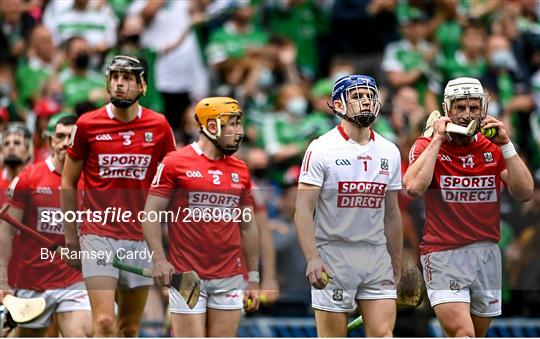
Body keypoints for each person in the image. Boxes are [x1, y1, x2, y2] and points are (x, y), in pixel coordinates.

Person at [403, 77, 534, 337]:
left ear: (484, 109)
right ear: (446, 109)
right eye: (459, 108)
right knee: (464, 333)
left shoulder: (493, 146)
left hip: (486, 252)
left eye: (474, 108)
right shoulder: (426, 144)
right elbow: (413, 188)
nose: (466, 115)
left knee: (475, 334)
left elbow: (525, 192)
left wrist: (506, 144)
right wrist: (438, 140)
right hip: (443, 253)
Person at [61, 55, 176, 336]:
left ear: (142, 86)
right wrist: (71, 239)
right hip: (97, 234)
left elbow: (172, 182)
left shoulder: (159, 126)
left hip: (141, 237)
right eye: (115, 78)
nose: (120, 84)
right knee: (104, 322)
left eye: (127, 79)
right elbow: (68, 181)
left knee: (128, 328)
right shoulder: (88, 125)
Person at [294, 75, 403, 337]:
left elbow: (392, 214)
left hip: (376, 255)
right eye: (356, 96)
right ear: (338, 105)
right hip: (334, 254)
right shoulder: (321, 148)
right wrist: (312, 258)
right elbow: (302, 211)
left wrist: (396, 264)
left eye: (369, 95)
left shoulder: (389, 151)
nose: (365, 101)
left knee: (383, 335)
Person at [142, 97, 260, 337]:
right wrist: (159, 260)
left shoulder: (240, 169)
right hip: (187, 276)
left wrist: (254, 278)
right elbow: (151, 214)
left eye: (240, 124)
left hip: (230, 276)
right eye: (234, 124)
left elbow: (248, 227)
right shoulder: (175, 162)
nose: (240, 132)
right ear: (213, 126)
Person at [0, 113, 92, 337]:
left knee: (81, 333)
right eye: (59, 136)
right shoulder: (29, 177)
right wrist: (3, 280)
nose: (64, 142)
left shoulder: (91, 180)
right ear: (51, 141)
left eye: (70, 137)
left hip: (74, 282)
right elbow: (6, 233)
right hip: (32, 282)